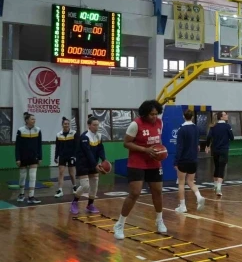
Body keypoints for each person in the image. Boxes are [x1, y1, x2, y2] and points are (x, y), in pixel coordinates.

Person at [113, 100, 167, 240]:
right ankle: (120, 224)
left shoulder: (160, 123)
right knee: (135, 193)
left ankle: (159, 220)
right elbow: (126, 143)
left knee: (158, 191)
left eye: (156, 114)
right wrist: (145, 150)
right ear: (144, 114)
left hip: (154, 162)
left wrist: (161, 151)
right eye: (151, 114)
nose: (154, 117)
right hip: (137, 162)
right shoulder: (135, 124)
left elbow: (158, 141)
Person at [70, 115, 107, 215]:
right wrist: (95, 165)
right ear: (89, 126)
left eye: (97, 125)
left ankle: (90, 205)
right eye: (94, 125)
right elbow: (88, 153)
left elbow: (100, 149)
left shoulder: (99, 136)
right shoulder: (84, 137)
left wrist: (104, 160)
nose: (96, 127)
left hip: (93, 163)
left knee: (94, 184)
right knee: (85, 186)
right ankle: (74, 202)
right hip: (83, 163)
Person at [174, 109, 205, 213]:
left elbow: (179, 147)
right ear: (192, 117)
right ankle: (199, 196)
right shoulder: (196, 128)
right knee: (190, 181)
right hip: (193, 159)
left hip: (183, 160)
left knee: (181, 183)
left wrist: (175, 161)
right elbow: (197, 145)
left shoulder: (181, 129)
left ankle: (182, 206)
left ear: (184, 116)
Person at [15, 112, 42, 204]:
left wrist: (40, 157)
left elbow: (39, 145)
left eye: (34, 119)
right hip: (23, 157)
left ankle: (31, 196)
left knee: (33, 176)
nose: (34, 120)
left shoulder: (38, 130)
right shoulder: (20, 130)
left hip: (33, 157)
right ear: (27, 120)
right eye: (32, 119)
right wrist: (17, 158)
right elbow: (17, 146)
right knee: (22, 176)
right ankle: (21, 194)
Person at [205, 111, 234, 196]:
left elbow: (209, 137)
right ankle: (218, 189)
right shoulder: (227, 126)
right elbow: (232, 138)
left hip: (215, 150)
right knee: (221, 168)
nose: (227, 116)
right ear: (221, 117)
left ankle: (214, 186)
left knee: (217, 167)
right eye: (225, 115)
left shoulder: (213, 126)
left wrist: (207, 146)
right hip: (224, 150)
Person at [54, 117, 79, 198]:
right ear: (62, 125)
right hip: (62, 156)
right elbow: (57, 147)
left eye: (68, 124)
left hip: (71, 156)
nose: (67, 125)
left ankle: (74, 186)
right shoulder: (58, 134)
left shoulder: (74, 133)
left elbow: (76, 146)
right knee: (61, 173)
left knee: (72, 174)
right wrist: (56, 156)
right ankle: (60, 190)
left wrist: (74, 156)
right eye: (65, 124)